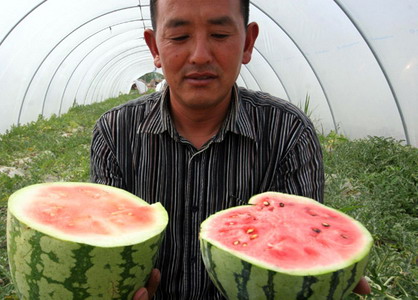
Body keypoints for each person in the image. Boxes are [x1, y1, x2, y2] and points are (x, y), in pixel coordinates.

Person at [90, 0, 371, 299]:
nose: (199, 56)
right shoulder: (114, 132)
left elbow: (299, 247)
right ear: (155, 47)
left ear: (248, 43)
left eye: (220, 35)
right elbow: (105, 252)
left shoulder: (288, 132)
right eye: (180, 37)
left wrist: (325, 270)